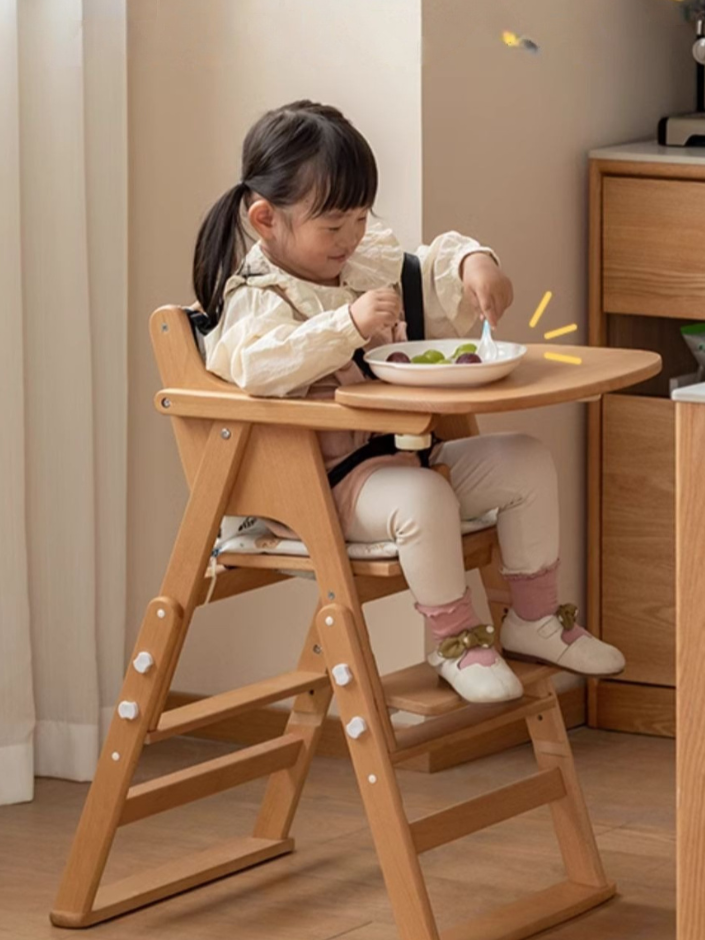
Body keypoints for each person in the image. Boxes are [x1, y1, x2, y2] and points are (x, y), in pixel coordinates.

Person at [193, 100, 624, 703]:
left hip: (406, 458)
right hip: (321, 486)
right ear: (266, 219)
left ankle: (534, 618)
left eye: (361, 219)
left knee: (527, 461)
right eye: (334, 226)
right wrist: (346, 324)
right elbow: (261, 368)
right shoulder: (256, 297)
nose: (352, 239)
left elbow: (426, 268)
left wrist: (477, 262)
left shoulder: (361, 264)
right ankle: (457, 642)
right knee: (425, 499)